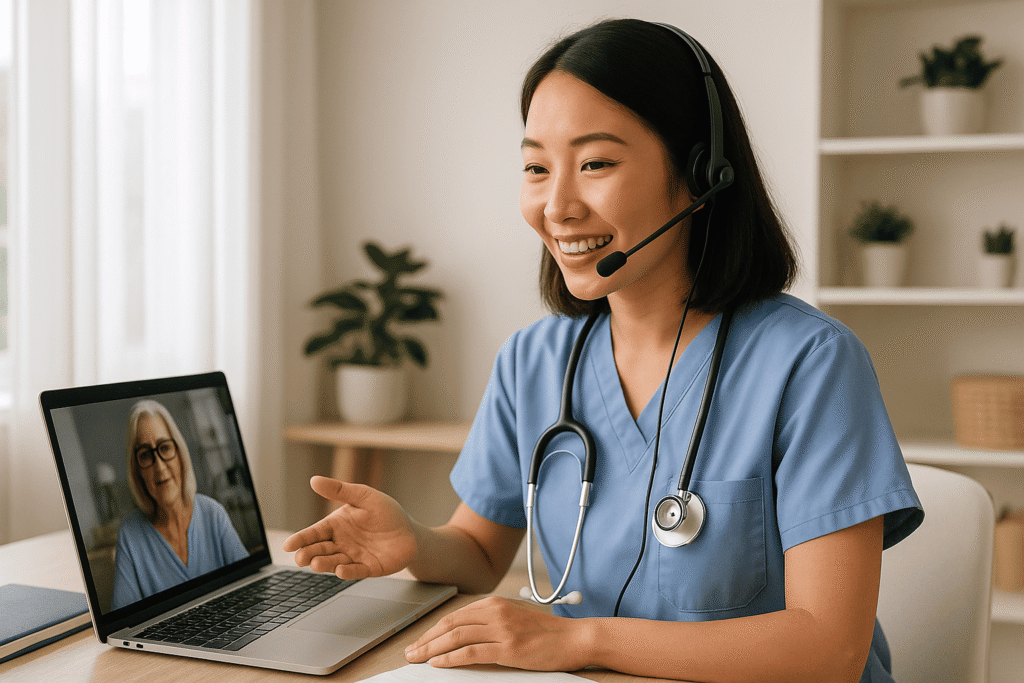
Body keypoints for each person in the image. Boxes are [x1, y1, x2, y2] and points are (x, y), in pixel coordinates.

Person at [284, 18, 923, 682]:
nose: (556, 206)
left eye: (595, 163)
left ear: (701, 174)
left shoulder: (811, 364)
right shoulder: (533, 361)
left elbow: (830, 649)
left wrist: (578, 639)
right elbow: (478, 551)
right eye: (536, 167)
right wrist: (415, 541)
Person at [110, 399, 249, 610]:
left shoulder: (213, 514)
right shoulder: (130, 535)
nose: (159, 466)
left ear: (180, 455)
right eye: (145, 455)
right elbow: (121, 622)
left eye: (165, 447)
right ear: (137, 471)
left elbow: (251, 587)